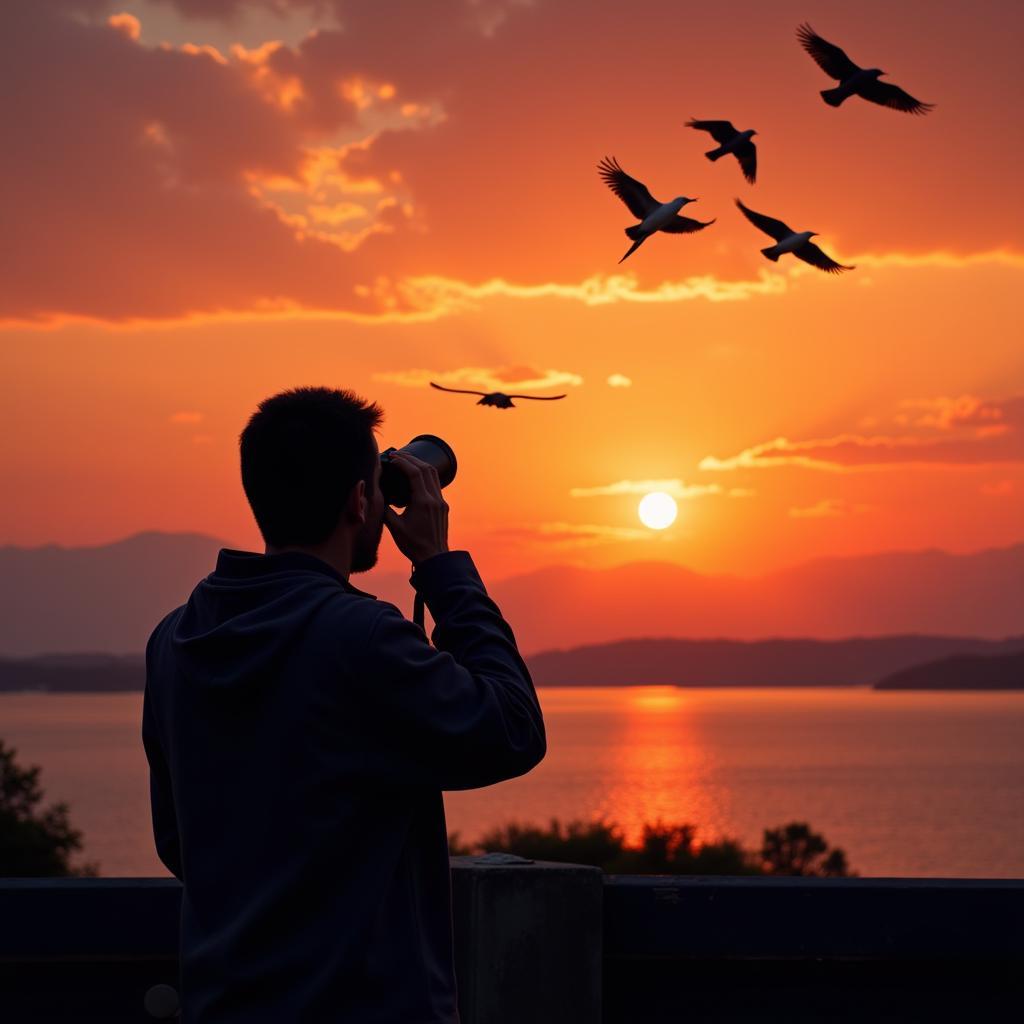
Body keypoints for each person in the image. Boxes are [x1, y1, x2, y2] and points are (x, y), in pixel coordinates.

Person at [142, 385, 546, 1022]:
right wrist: (441, 566)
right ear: (362, 500)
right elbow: (514, 728)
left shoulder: (174, 638)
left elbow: (178, 843)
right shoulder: (360, 638)